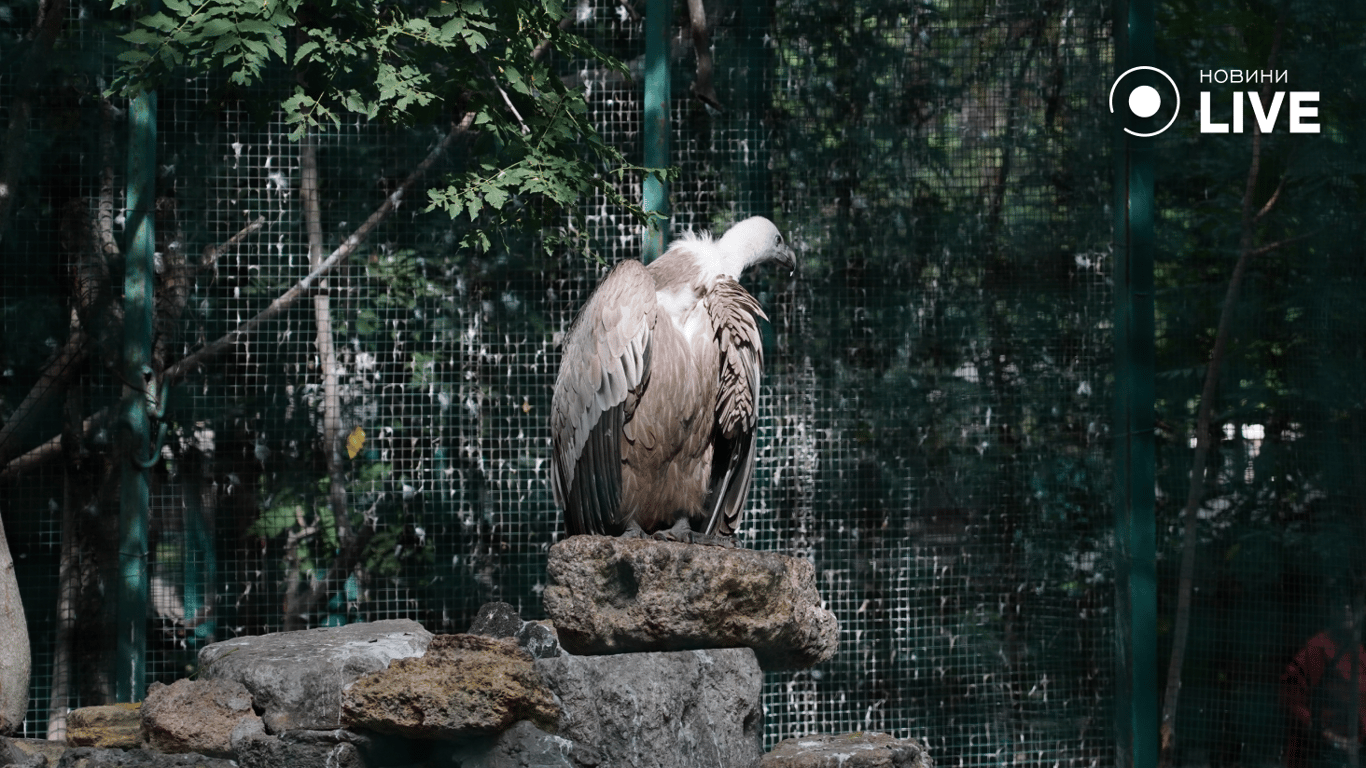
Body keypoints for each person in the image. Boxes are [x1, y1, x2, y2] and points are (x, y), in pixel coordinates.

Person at [1282, 602, 1365, 768]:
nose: (1346, 609)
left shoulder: (1360, 651)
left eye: (1351, 606)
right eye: (1341, 604)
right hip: (1323, 753)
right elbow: (1290, 698)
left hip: (1356, 752)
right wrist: (1328, 736)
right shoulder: (1317, 649)